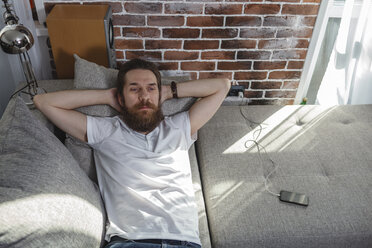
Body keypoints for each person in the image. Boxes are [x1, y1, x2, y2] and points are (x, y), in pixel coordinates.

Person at [33, 59, 230, 248]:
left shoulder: (179, 127)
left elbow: (222, 85)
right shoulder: (105, 131)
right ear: (121, 97)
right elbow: (44, 102)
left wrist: (169, 91)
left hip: (184, 241)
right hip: (130, 241)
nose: (144, 96)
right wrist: (105, 96)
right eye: (134, 89)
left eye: (151, 88)